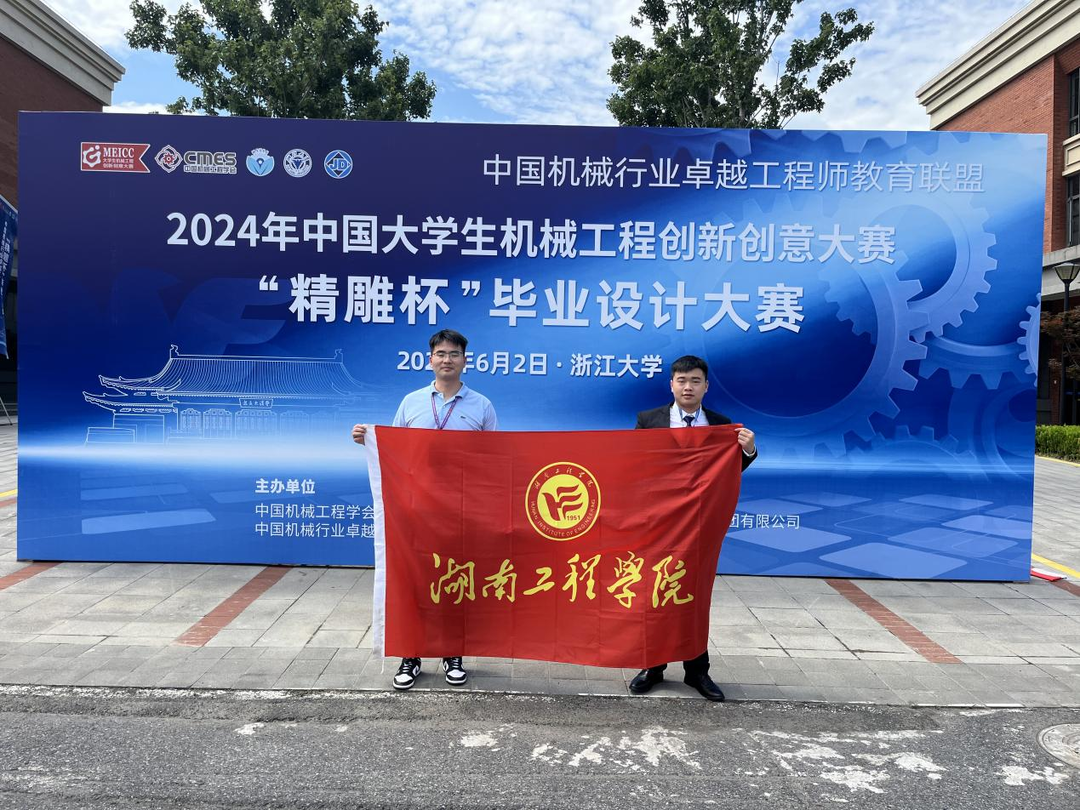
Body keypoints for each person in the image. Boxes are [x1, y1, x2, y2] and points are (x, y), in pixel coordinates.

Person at [352, 329, 497, 691]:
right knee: (415, 582)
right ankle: (411, 654)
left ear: (465, 360)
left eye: (454, 354)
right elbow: (395, 450)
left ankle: (453, 653)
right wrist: (368, 440)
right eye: (441, 353)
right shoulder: (412, 402)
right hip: (416, 511)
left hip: (460, 511)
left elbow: (494, 459)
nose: (447, 360)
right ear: (430, 359)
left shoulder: (481, 406)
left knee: (454, 581)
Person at [629, 354, 757, 702]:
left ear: (706, 386)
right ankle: (652, 666)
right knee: (655, 590)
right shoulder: (648, 420)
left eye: (695, 381)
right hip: (658, 524)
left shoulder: (721, 425)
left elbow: (727, 473)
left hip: (700, 526)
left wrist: (748, 451)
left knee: (694, 595)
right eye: (682, 380)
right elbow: (634, 467)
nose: (688, 387)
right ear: (671, 384)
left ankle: (697, 670)